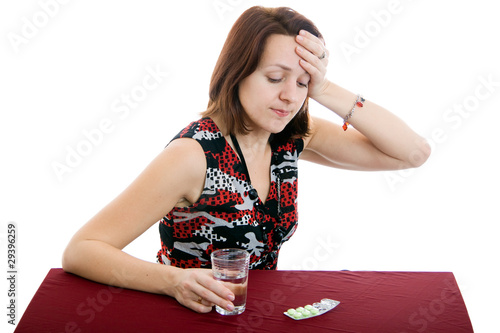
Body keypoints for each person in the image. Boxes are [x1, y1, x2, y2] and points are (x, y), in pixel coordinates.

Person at [62, 6, 430, 314]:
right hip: (188, 318)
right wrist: (174, 282)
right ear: (237, 73)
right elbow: (83, 249)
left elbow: (412, 153)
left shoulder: (292, 135)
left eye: (302, 83)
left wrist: (325, 88)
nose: (290, 96)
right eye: (275, 78)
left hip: (258, 315)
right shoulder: (193, 156)